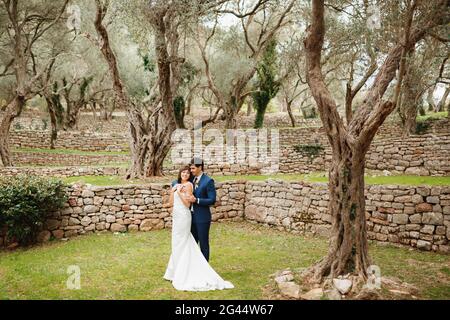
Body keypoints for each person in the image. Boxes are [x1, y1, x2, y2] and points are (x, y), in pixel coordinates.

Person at [163, 165, 233, 291]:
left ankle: (195, 269)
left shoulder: (189, 185)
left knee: (188, 241)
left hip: (184, 215)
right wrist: (173, 191)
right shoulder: (175, 183)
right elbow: (171, 202)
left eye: (187, 173)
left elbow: (187, 204)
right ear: (179, 173)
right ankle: (176, 270)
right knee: (177, 242)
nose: (185, 174)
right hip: (177, 217)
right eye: (183, 172)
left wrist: (180, 192)